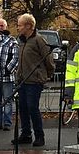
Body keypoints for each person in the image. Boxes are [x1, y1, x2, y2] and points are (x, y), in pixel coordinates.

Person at [12, 14, 54, 147]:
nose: (18, 28)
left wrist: (47, 74)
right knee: (23, 108)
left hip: (34, 81)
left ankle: (39, 135)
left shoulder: (39, 40)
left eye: (19, 25)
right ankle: (26, 134)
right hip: (23, 80)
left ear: (28, 26)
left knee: (32, 107)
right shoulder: (22, 41)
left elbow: (48, 59)